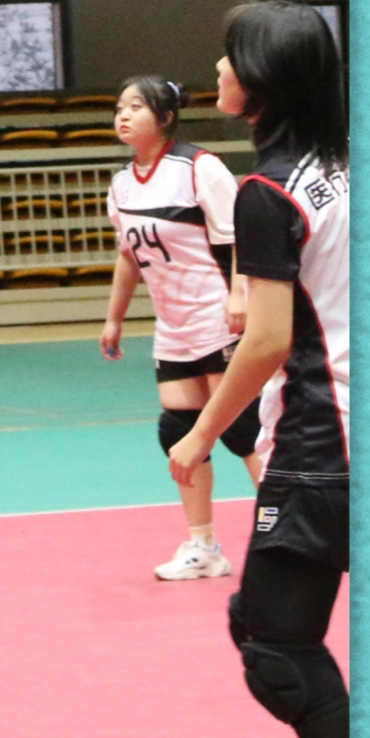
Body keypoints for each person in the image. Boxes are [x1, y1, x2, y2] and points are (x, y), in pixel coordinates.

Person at [169, 1, 352, 738]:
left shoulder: (266, 191)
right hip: (361, 436)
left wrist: (202, 436)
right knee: (264, 624)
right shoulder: (344, 167)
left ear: (265, 80)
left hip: (322, 446)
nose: (218, 67)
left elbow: (270, 338)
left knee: (277, 647)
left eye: (230, 55)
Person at [104, 75, 250, 580]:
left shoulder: (198, 168)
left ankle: (287, 537)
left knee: (245, 431)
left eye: (136, 107)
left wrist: (240, 294)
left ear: (165, 118)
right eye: (120, 107)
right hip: (174, 327)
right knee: (179, 432)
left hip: (218, 316)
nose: (124, 115)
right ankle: (204, 547)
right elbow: (130, 256)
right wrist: (114, 318)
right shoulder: (122, 185)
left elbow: (242, 236)